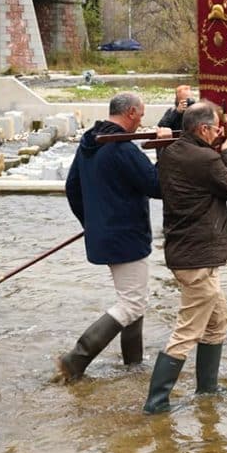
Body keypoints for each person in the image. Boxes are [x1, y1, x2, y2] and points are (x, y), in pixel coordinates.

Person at [57, 91, 172, 381]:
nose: (142, 120)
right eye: (141, 115)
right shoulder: (122, 148)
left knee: (133, 297)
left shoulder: (89, 143)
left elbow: (72, 188)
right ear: (131, 112)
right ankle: (76, 359)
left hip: (107, 235)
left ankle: (133, 366)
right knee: (132, 302)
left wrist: (92, 221)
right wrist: (163, 147)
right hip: (126, 236)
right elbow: (157, 186)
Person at [143, 101, 227, 413]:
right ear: (203, 129)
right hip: (197, 259)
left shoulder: (172, 151)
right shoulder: (204, 158)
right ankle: (156, 403)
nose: (220, 133)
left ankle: (207, 391)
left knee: (218, 321)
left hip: (188, 253)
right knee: (187, 331)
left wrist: (163, 143)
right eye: (216, 129)